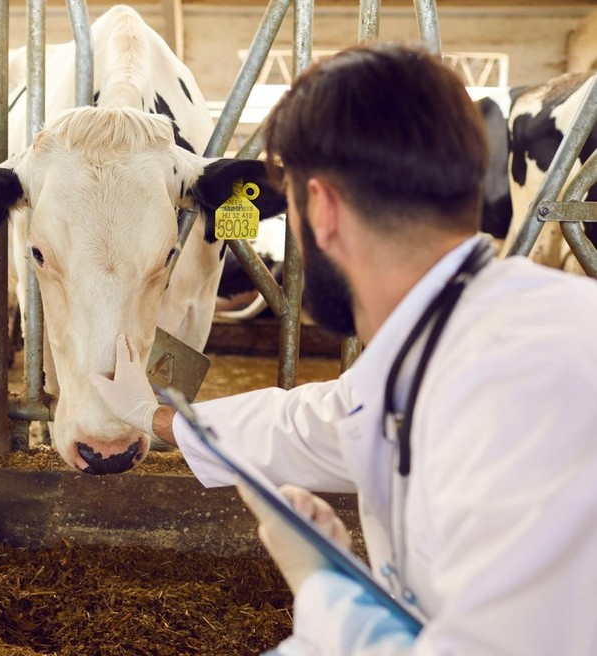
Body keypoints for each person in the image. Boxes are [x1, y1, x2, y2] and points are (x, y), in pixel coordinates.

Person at [91, 42, 597, 655]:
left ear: (321, 207)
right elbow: (323, 421)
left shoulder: (522, 384)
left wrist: (330, 599)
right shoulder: (465, 335)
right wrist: (155, 416)